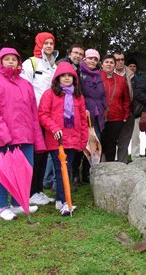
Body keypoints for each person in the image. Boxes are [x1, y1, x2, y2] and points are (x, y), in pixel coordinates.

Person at [0, 48, 45, 221]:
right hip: (1, 139)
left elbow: (33, 115)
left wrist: (37, 140)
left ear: (19, 62)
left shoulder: (26, 85)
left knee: (25, 172)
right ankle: (2, 206)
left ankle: (18, 204)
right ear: (0, 61)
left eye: (14, 59)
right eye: (7, 59)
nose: (11, 62)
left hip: (25, 137)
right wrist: (5, 135)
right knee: (2, 173)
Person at [38, 62, 88, 216]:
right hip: (57, 140)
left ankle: (63, 199)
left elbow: (82, 119)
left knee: (68, 167)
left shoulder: (78, 97)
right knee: (61, 169)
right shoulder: (49, 94)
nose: (67, 78)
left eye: (70, 76)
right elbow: (43, 114)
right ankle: (64, 201)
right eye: (63, 76)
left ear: (74, 78)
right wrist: (54, 128)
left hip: (73, 139)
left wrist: (83, 139)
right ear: (57, 78)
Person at [21, 32, 58, 206]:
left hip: (48, 116)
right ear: (39, 44)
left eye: (51, 43)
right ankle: (29, 191)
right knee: (34, 155)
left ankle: (38, 191)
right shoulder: (30, 63)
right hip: (34, 116)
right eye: (46, 43)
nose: (49, 46)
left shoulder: (54, 66)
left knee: (43, 154)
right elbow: (23, 88)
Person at [57, 43, 85, 186]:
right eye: (76, 53)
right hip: (61, 117)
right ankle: (56, 182)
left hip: (76, 111)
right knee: (59, 152)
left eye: (81, 54)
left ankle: (69, 179)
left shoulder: (80, 69)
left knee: (73, 149)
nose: (78, 56)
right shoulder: (62, 65)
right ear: (69, 53)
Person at [78, 48, 106, 184]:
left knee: (95, 143)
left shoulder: (99, 75)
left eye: (95, 59)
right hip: (84, 114)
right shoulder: (79, 74)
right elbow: (78, 94)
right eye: (90, 58)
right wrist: (83, 108)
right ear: (85, 59)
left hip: (98, 114)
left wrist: (103, 106)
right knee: (83, 144)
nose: (93, 61)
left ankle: (90, 173)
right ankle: (78, 175)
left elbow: (102, 94)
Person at [100, 54, 131, 162]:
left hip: (116, 117)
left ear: (114, 65)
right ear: (102, 64)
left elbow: (126, 99)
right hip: (99, 116)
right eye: (106, 62)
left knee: (111, 144)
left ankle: (110, 169)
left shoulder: (121, 80)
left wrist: (125, 114)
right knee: (99, 143)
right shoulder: (96, 77)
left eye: (111, 62)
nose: (109, 64)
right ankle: (96, 170)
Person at [113, 51, 135, 163]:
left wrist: (134, 111)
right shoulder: (106, 73)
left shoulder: (132, 75)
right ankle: (106, 169)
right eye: (117, 60)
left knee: (124, 143)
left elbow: (137, 94)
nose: (120, 62)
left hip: (128, 113)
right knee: (109, 143)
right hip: (111, 113)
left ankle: (122, 167)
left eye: (122, 59)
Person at [126, 57, 142, 159]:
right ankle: (118, 158)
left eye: (134, 66)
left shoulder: (139, 79)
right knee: (121, 137)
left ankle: (135, 157)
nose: (132, 68)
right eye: (130, 66)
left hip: (136, 111)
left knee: (135, 136)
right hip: (123, 111)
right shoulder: (122, 77)